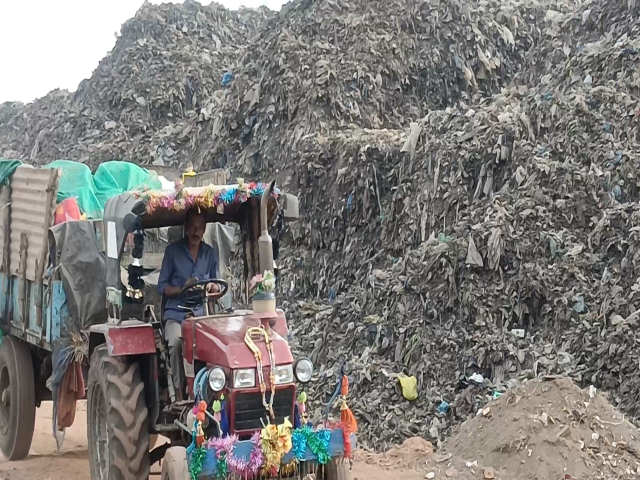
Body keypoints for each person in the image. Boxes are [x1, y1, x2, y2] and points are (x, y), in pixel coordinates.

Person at [157, 208, 219, 399]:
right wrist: (182, 288)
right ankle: (178, 394)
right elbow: (162, 287)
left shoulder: (210, 254)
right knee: (176, 343)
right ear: (185, 227)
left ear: (205, 229)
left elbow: (217, 286)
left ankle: (211, 391)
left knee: (214, 345)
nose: (195, 231)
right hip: (176, 314)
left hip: (201, 314)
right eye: (192, 226)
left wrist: (212, 287)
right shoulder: (172, 251)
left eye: (199, 227)